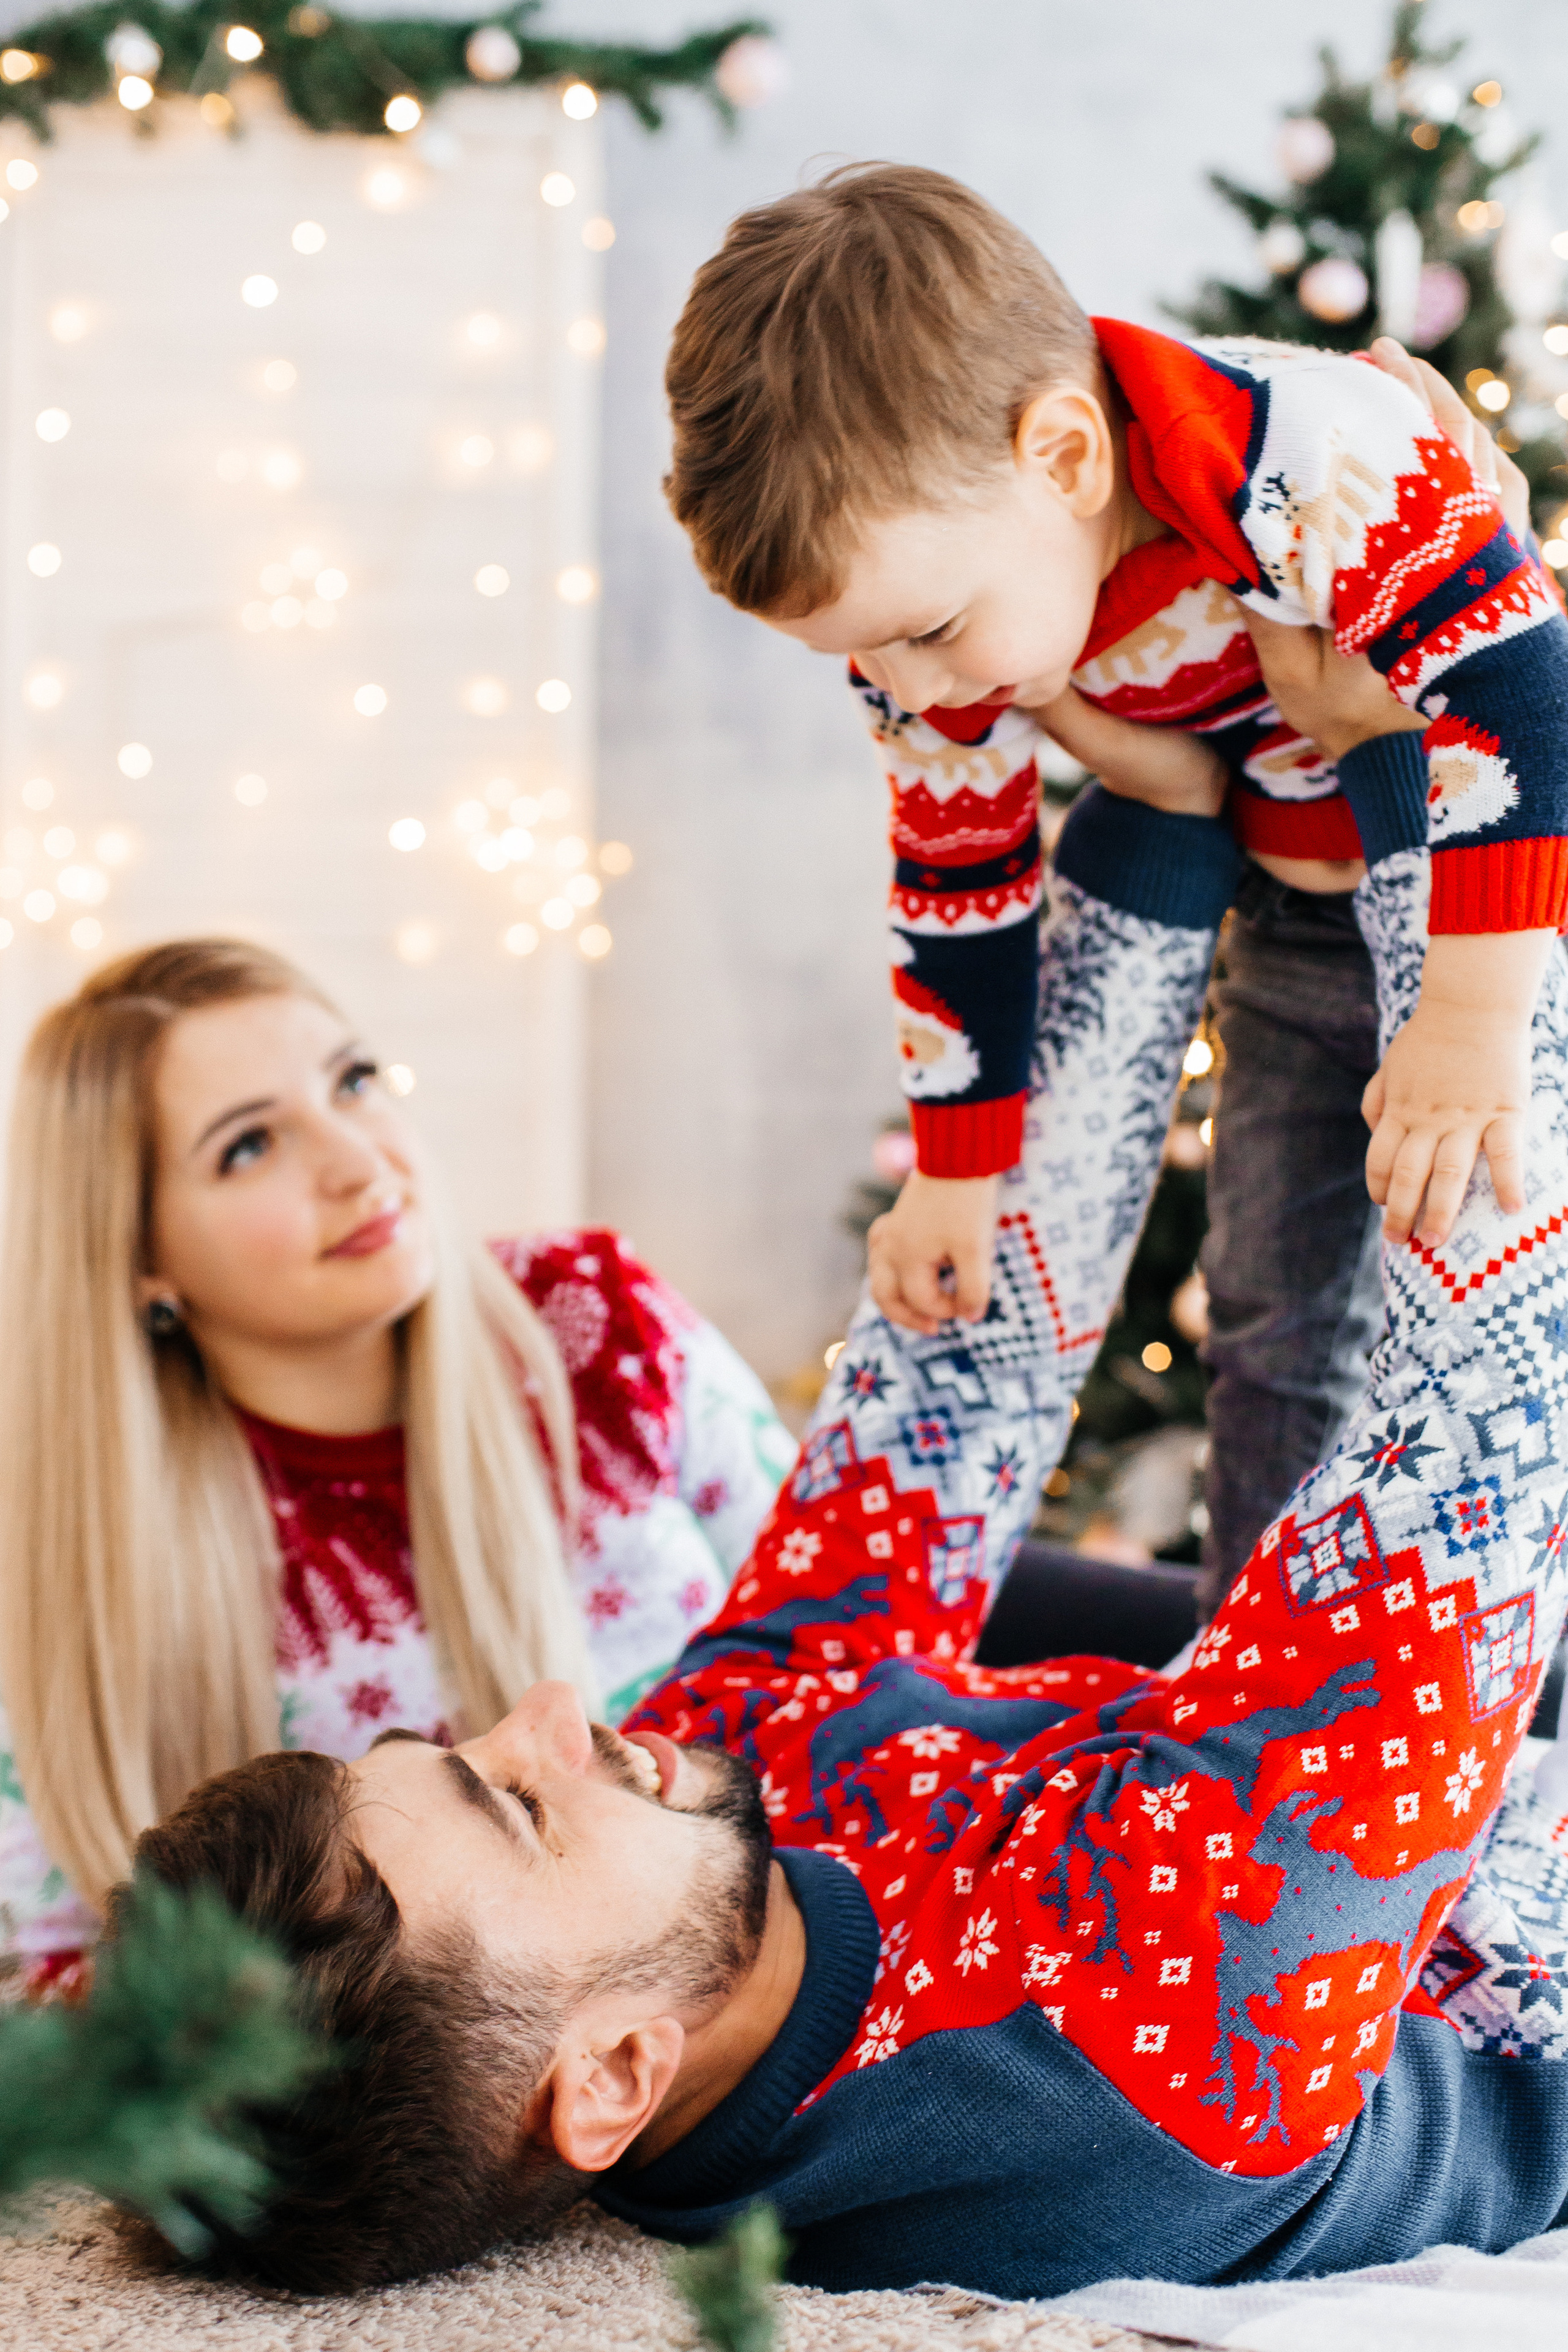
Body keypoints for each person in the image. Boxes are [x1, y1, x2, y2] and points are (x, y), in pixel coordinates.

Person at [134, 641, 1568, 2298]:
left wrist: (1155, 829)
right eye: (521, 1806)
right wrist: (1426, 781)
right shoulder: (1127, 2066)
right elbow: (1478, 1423)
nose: (549, 1708)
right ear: (606, 2083)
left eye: (459, 1745)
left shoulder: (705, 1806)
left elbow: (963, 1364)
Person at [660, 163, 1568, 1610]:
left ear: (1066, 457)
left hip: (1490, 914)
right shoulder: (941, 619)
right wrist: (956, 1177)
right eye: (868, 656)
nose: (911, 691)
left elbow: (1520, 693)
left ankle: (1476, 1679)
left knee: (1469, 1279)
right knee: (1273, 1313)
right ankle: (1255, 1651)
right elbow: (956, 884)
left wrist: (1463, 1025)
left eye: (930, 632)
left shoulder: (1294, 457)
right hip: (1283, 921)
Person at [0, 938, 796, 1999]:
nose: (359, 1163)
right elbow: (53, 1978)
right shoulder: (72, 1541)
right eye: (248, 1147)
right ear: (139, 1251)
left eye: (355, 1082)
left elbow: (842, 1618)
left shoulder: (598, 1325)